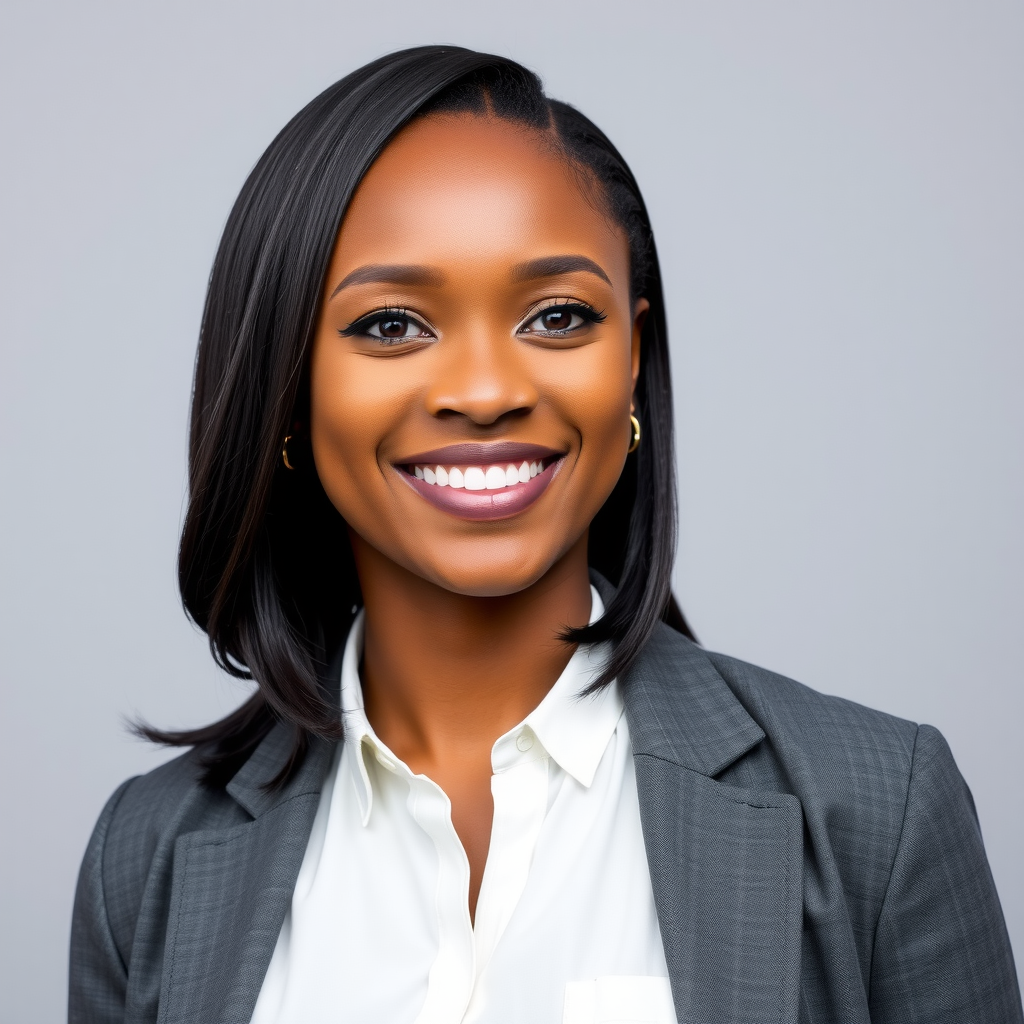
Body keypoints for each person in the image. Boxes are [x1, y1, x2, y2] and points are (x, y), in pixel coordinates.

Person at [68, 46, 1022, 1024]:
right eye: (392, 325)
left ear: (632, 359)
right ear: (285, 388)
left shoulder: (879, 810)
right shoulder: (147, 860)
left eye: (557, 315)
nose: (485, 392)